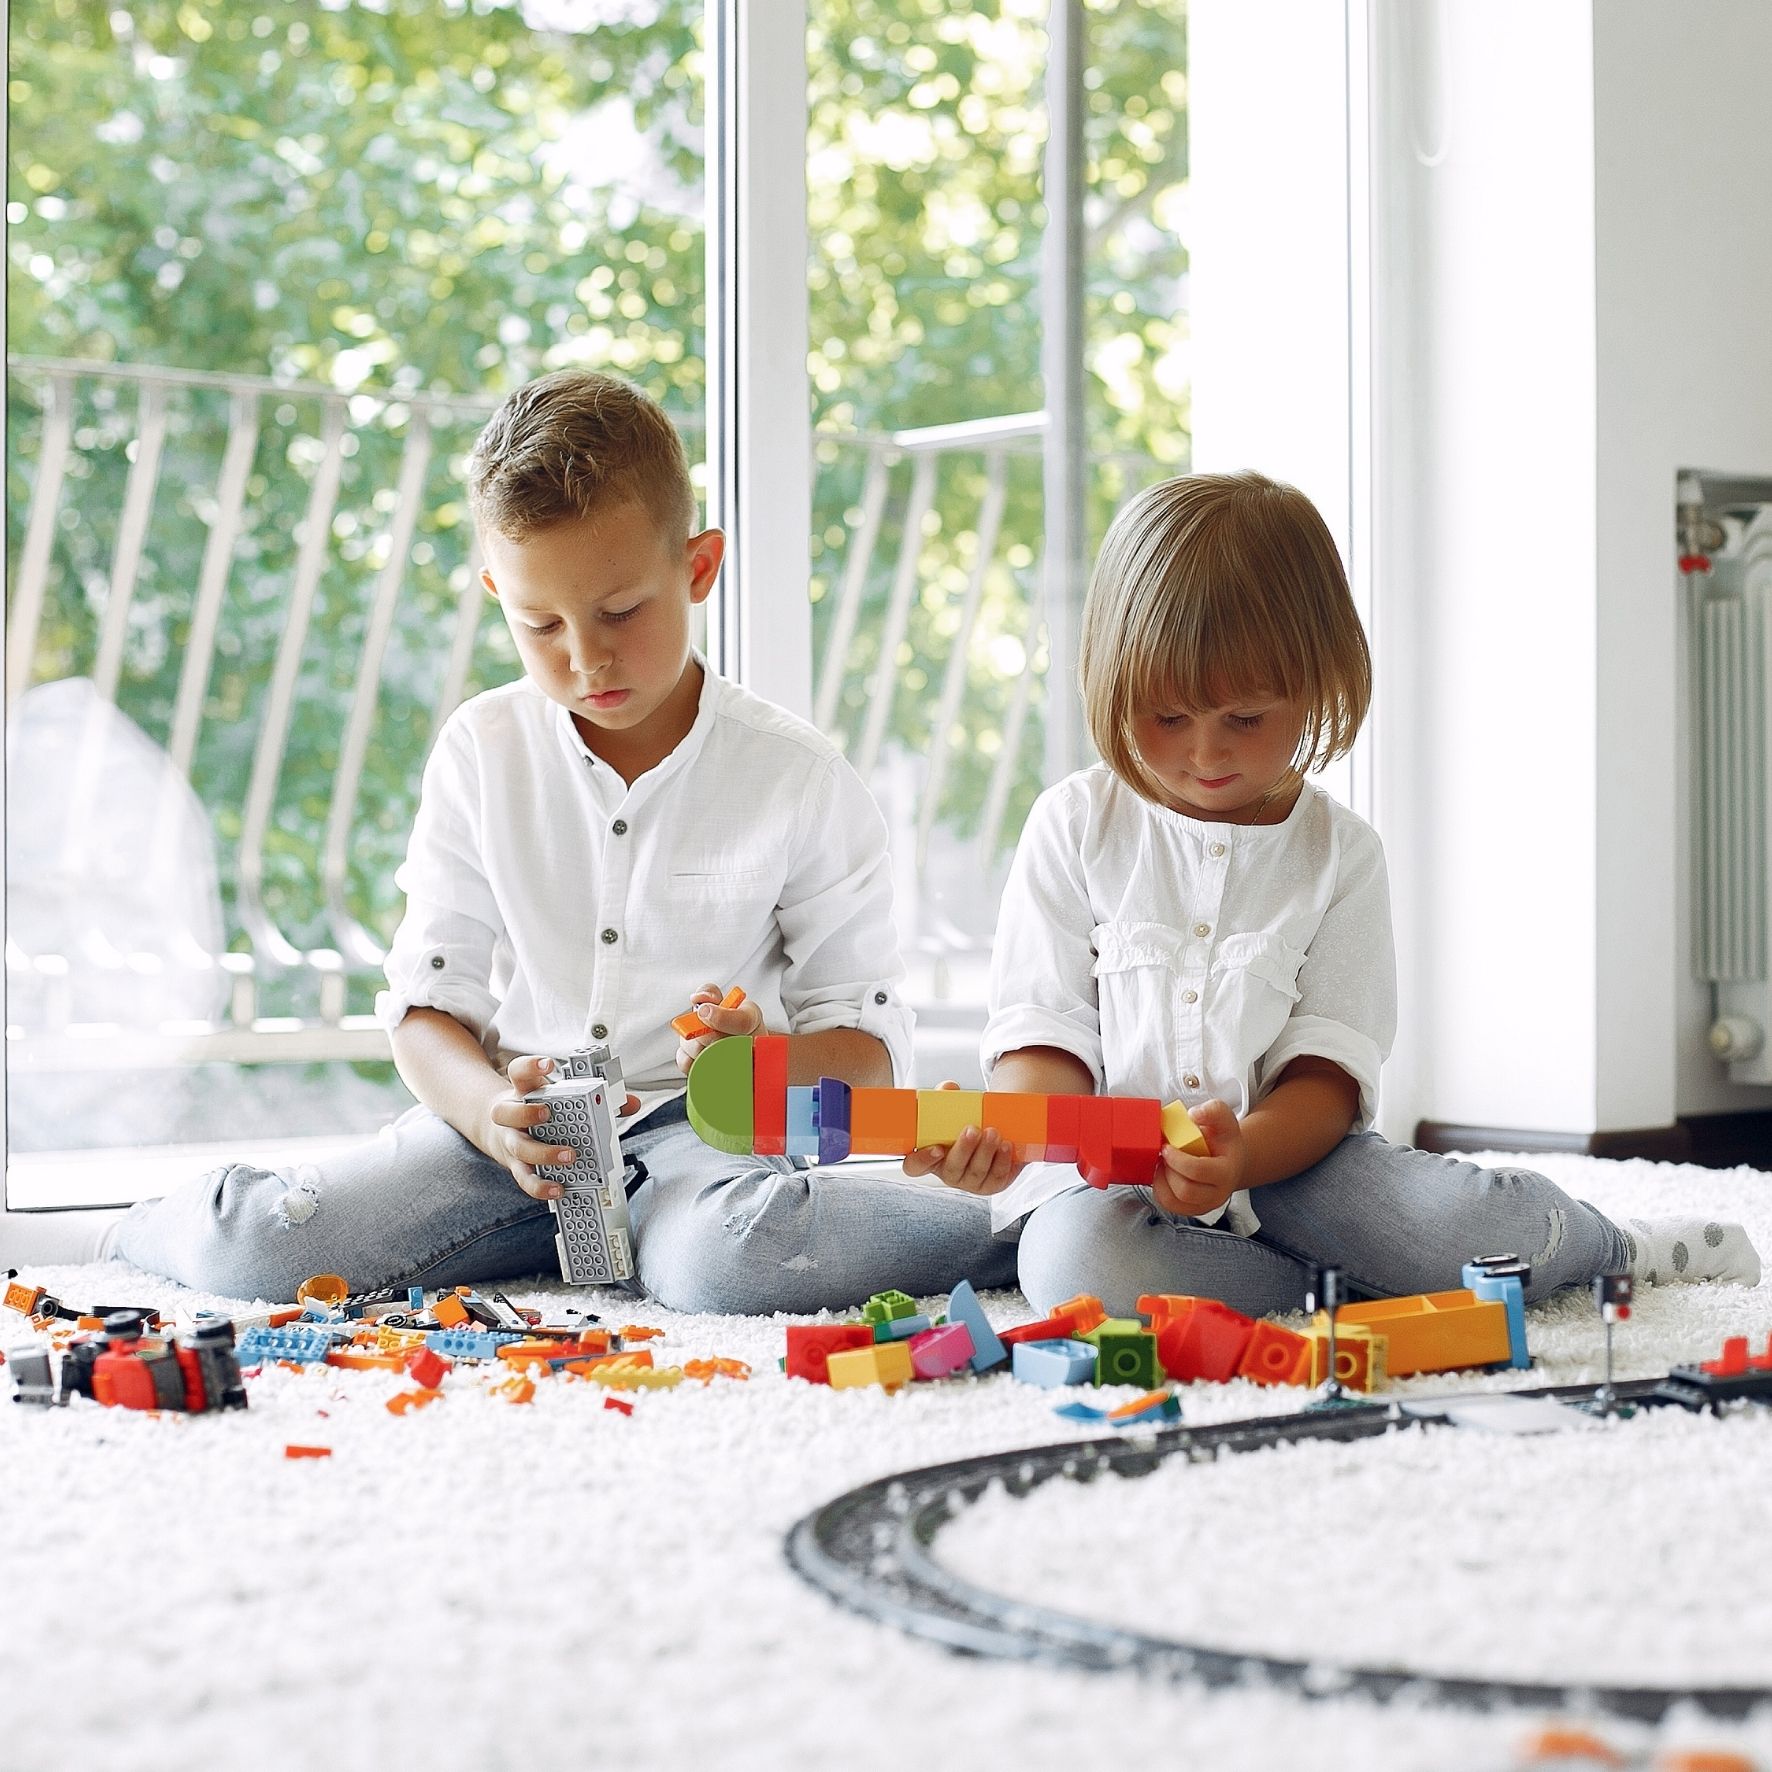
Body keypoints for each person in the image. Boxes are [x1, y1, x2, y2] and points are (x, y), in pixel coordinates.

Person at [110, 369, 1016, 1313]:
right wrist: (488, 1115)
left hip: (703, 1148)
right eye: (540, 623)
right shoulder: (481, 750)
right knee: (260, 1243)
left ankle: (1016, 1235)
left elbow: (871, 1051)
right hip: (506, 1141)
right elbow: (426, 1009)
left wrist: (762, 1068)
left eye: (621, 612)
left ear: (698, 568)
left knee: (736, 1260)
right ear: (496, 592)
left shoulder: (799, 777)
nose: (586, 657)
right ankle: (128, 1230)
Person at [907, 471, 1761, 1316]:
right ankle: (1356, 1289)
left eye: (1245, 718)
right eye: (1168, 718)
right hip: (1111, 1192)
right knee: (1079, 1267)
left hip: (1297, 1173)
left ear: (1318, 683)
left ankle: (1613, 1245)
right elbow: (1047, 1034)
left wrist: (1243, 1158)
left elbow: (1325, 1078)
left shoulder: (1340, 854)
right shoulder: (1072, 826)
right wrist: (1005, 1132)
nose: (1205, 753)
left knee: (1475, 1226)